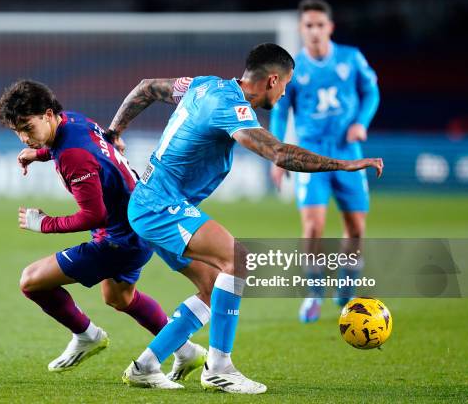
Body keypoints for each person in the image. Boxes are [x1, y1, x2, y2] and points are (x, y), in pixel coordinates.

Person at [107, 42, 383, 394]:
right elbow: (279, 153)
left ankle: (146, 366)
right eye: (285, 85)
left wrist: (115, 131)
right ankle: (219, 368)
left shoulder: (203, 84)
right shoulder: (231, 107)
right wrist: (346, 164)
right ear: (271, 80)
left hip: (154, 202)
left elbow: (147, 87)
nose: (284, 94)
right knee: (238, 260)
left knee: (212, 288)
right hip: (160, 205)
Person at [0, 79, 207, 379]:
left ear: (46, 115)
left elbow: (93, 215)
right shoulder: (72, 119)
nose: (23, 139)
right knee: (119, 297)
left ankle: (87, 335)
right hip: (139, 223)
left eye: (27, 128)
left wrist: (44, 224)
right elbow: (84, 145)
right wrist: (40, 153)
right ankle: (185, 351)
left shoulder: (73, 158)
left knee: (30, 281)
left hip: (118, 240)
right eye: (17, 132)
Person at [270, 0, 381, 323]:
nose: (315, 31)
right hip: (311, 154)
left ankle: (347, 279)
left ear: (329, 27)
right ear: (301, 30)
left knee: (356, 228)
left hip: (348, 152)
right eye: (308, 26)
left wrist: (361, 122)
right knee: (313, 226)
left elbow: (371, 92)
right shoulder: (293, 70)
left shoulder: (351, 58)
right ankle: (313, 293)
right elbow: (280, 111)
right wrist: (277, 154)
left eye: (320, 25)